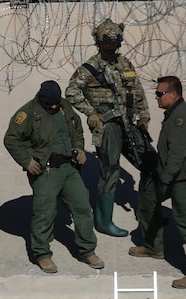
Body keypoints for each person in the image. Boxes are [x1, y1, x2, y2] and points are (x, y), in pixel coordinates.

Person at [65, 18, 156, 237]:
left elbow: (138, 91)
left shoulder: (124, 64)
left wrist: (144, 117)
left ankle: (150, 215)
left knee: (151, 163)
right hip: (108, 127)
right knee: (110, 172)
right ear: (99, 42)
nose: (111, 46)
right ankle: (104, 221)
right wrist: (91, 113)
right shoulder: (90, 68)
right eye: (107, 42)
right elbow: (71, 92)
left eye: (115, 42)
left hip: (129, 124)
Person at [3, 81, 105, 274]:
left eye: (55, 103)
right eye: (49, 103)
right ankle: (42, 254)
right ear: (42, 99)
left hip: (69, 167)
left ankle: (87, 250)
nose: (53, 106)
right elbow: (11, 139)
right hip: (46, 171)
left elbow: (76, 128)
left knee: (82, 207)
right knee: (44, 212)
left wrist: (79, 148)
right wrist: (27, 161)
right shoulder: (27, 113)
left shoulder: (65, 106)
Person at [131, 76, 186, 290]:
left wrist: (164, 182)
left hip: (183, 177)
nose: (156, 97)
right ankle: (154, 246)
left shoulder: (180, 118)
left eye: (159, 93)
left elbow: (177, 155)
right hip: (171, 173)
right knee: (147, 199)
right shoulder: (174, 113)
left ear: (173, 94)